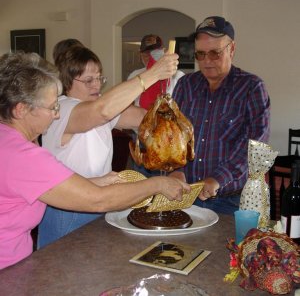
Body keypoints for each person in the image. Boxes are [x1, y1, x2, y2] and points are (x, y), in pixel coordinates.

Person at [0, 51, 189, 269]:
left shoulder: (10, 139)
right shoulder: (24, 154)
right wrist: (158, 184)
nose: (56, 114)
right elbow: (98, 200)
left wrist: (96, 181)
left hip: (18, 259)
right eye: (52, 107)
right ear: (21, 109)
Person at [37, 42, 181, 248]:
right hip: (66, 210)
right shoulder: (63, 109)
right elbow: (102, 110)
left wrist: (167, 112)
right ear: (67, 82)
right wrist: (153, 74)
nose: (96, 85)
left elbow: (141, 118)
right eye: (88, 80)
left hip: (100, 200)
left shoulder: (96, 107)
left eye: (98, 78)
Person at [172, 16, 270, 215]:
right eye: (200, 54)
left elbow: (256, 145)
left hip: (229, 201)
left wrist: (217, 179)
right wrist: (176, 169)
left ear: (231, 49)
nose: (206, 61)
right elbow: (174, 135)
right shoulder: (185, 85)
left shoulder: (251, 87)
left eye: (215, 53)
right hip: (185, 196)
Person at [127, 34, 185, 177]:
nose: (150, 56)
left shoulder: (177, 75)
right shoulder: (135, 75)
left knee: (164, 185)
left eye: (155, 52)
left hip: (167, 141)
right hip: (141, 139)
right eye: (146, 52)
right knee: (141, 183)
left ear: (163, 51)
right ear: (140, 54)